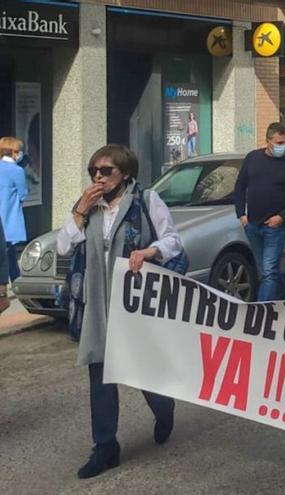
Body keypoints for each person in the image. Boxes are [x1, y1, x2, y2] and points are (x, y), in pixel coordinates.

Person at [56, 145, 182, 478]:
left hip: (135, 303)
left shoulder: (146, 201)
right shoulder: (88, 207)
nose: (98, 176)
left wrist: (150, 250)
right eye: (93, 171)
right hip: (96, 303)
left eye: (106, 170)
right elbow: (64, 246)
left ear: (125, 173)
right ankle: (106, 447)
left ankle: (163, 407)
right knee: (100, 376)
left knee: (142, 369)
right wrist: (79, 212)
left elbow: (173, 241)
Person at [234, 123, 285, 301]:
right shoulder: (253, 158)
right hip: (252, 223)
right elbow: (240, 186)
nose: (283, 146)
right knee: (266, 269)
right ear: (268, 142)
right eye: (279, 142)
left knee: (268, 270)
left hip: (275, 226)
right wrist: (241, 214)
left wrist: (281, 217)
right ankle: (281, 295)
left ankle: (261, 310)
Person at [0, 137, 28, 283]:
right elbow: (23, 193)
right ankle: (14, 280)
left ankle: (16, 278)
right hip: (8, 216)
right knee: (7, 250)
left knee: (9, 252)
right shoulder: (17, 171)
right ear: (14, 152)